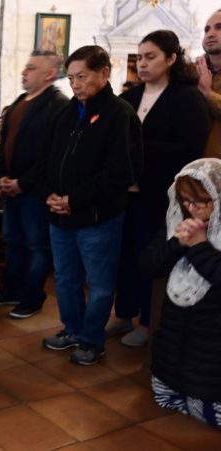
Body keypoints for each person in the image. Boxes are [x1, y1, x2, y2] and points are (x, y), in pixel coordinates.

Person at [41, 45, 143, 365]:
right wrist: (50, 195)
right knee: (65, 279)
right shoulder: (66, 112)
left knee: (98, 284)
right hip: (60, 214)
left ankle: (92, 339)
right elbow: (49, 159)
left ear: (104, 73)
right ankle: (72, 329)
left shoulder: (120, 114)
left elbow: (120, 172)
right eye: (71, 78)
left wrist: (75, 200)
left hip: (98, 216)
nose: (75, 84)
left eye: (82, 76)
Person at [111, 30, 210, 347]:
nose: (141, 63)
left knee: (150, 255)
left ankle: (148, 320)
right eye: (139, 57)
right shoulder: (129, 98)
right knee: (123, 254)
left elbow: (189, 149)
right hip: (125, 193)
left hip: (160, 194)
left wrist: (138, 146)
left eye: (150, 56)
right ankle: (124, 312)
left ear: (171, 59)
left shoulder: (187, 98)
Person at [140, 158, 221, 429]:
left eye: (200, 202)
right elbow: (149, 266)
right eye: (185, 200)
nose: (191, 209)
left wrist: (199, 247)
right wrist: (176, 242)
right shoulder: (180, 218)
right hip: (174, 346)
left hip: (212, 348)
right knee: (163, 396)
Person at [0, 50, 68, 319]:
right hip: (11, 189)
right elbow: (4, 143)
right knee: (14, 242)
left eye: (31, 68)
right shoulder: (21, 101)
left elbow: (51, 154)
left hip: (35, 192)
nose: (24, 72)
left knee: (37, 245)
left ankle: (32, 297)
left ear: (49, 74)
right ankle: (11, 290)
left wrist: (23, 183)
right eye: (26, 67)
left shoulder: (58, 105)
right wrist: (0, 174)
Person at [196, 9, 221, 159]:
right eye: (207, 29)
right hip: (190, 166)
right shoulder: (192, 72)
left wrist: (207, 93)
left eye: (219, 27)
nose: (210, 34)